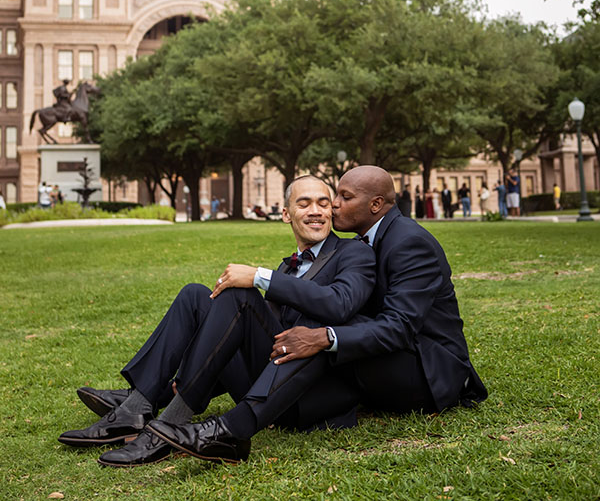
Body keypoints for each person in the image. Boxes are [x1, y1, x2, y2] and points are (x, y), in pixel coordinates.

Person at [151, 166, 487, 466]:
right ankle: (151, 401)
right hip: (384, 359)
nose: (334, 204)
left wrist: (326, 337)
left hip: (426, 373)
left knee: (323, 327)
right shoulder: (369, 240)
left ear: (375, 205)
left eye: (344, 196)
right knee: (225, 304)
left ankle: (231, 430)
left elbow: (399, 328)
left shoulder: (409, 241)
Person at [58, 175, 375, 466]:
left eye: (323, 203)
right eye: (304, 203)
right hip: (268, 376)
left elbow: (341, 305)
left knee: (241, 296)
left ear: (332, 211)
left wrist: (258, 278)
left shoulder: (353, 253)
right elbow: (258, 334)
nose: (316, 211)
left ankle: (169, 423)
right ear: (286, 214)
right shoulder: (286, 268)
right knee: (195, 295)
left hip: (308, 397)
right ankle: (135, 408)